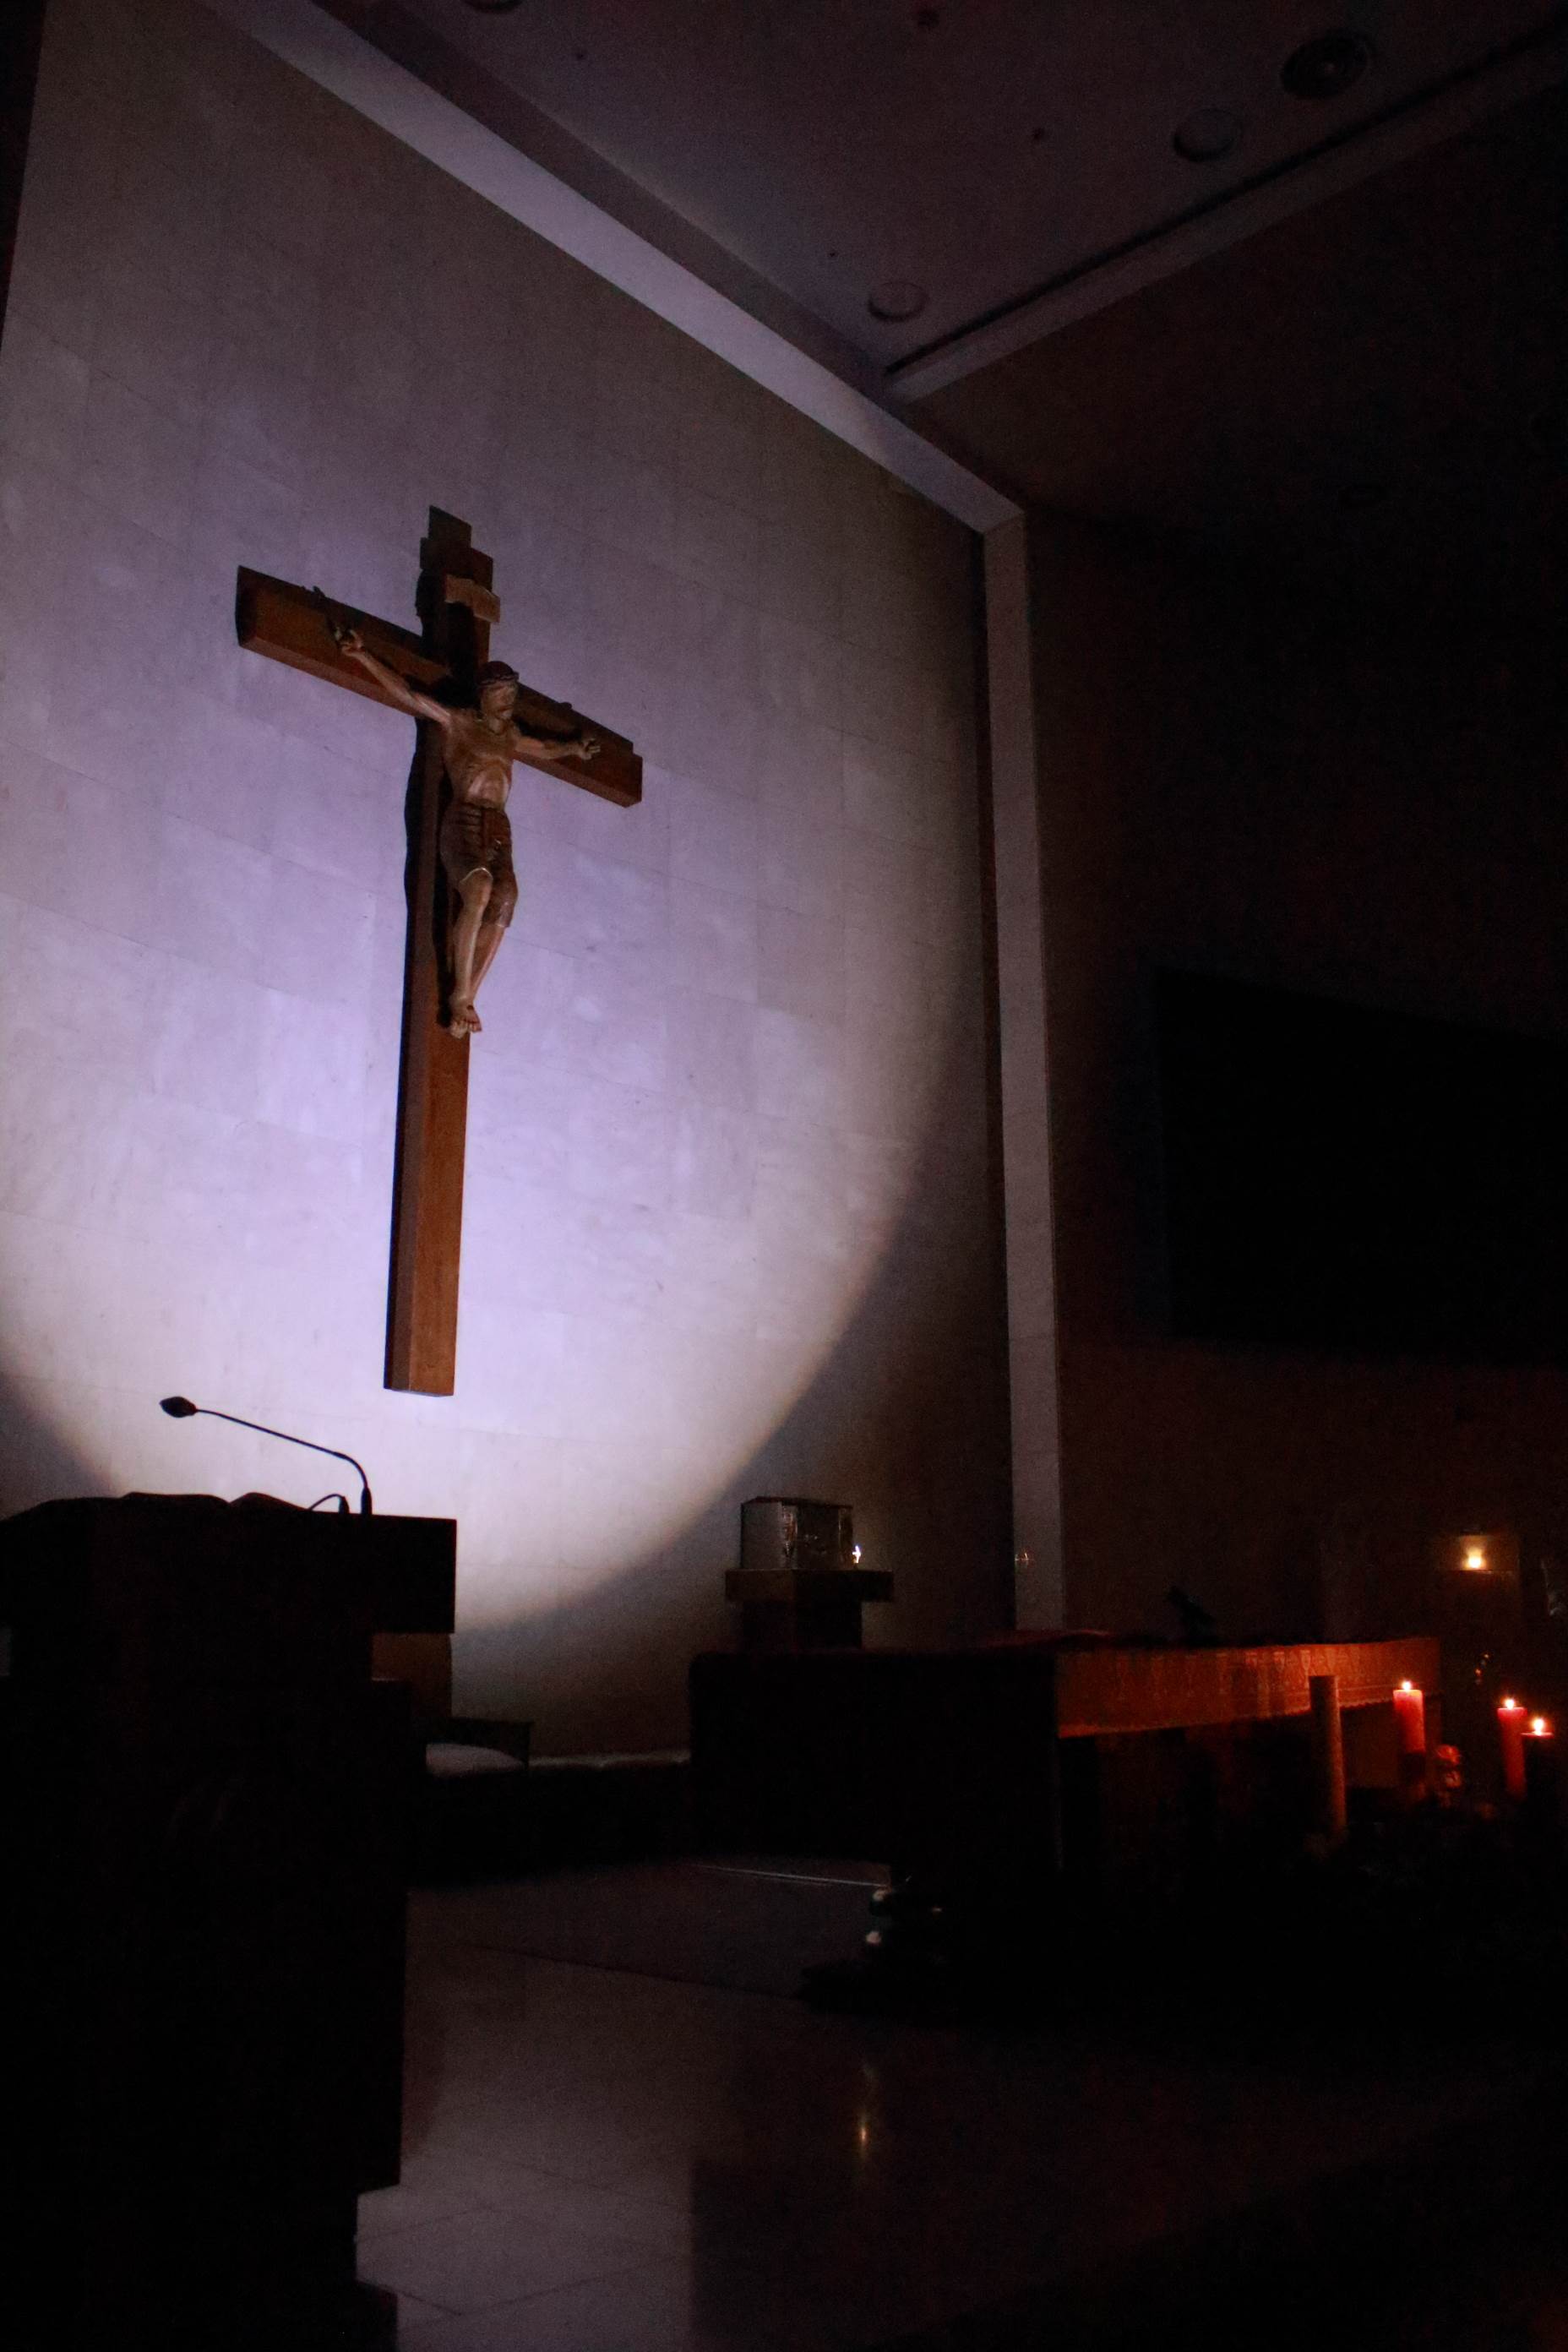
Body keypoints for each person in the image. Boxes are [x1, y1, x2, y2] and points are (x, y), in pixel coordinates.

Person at [332, 626, 599, 1037]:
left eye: (513, 694)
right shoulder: (459, 722)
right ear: (483, 696)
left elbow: (545, 748)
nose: (509, 702)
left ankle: (468, 995)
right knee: (479, 888)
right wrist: (363, 655)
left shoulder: (511, 735)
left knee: (506, 898)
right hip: (465, 816)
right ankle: (460, 994)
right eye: (502, 694)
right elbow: (410, 695)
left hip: (499, 824)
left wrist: (573, 748)